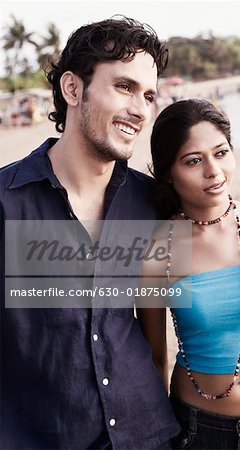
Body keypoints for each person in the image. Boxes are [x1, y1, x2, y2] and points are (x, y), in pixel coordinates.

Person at [0, 17, 180, 449]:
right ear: (73, 89)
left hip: (149, 434)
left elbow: (216, 248)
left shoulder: (151, 203)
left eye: (149, 94)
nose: (140, 109)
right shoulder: (6, 203)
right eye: (124, 87)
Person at [137, 99, 240, 449]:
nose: (214, 171)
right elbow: (155, 357)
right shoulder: (158, 248)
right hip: (199, 429)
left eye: (221, 152)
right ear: (168, 171)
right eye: (194, 161)